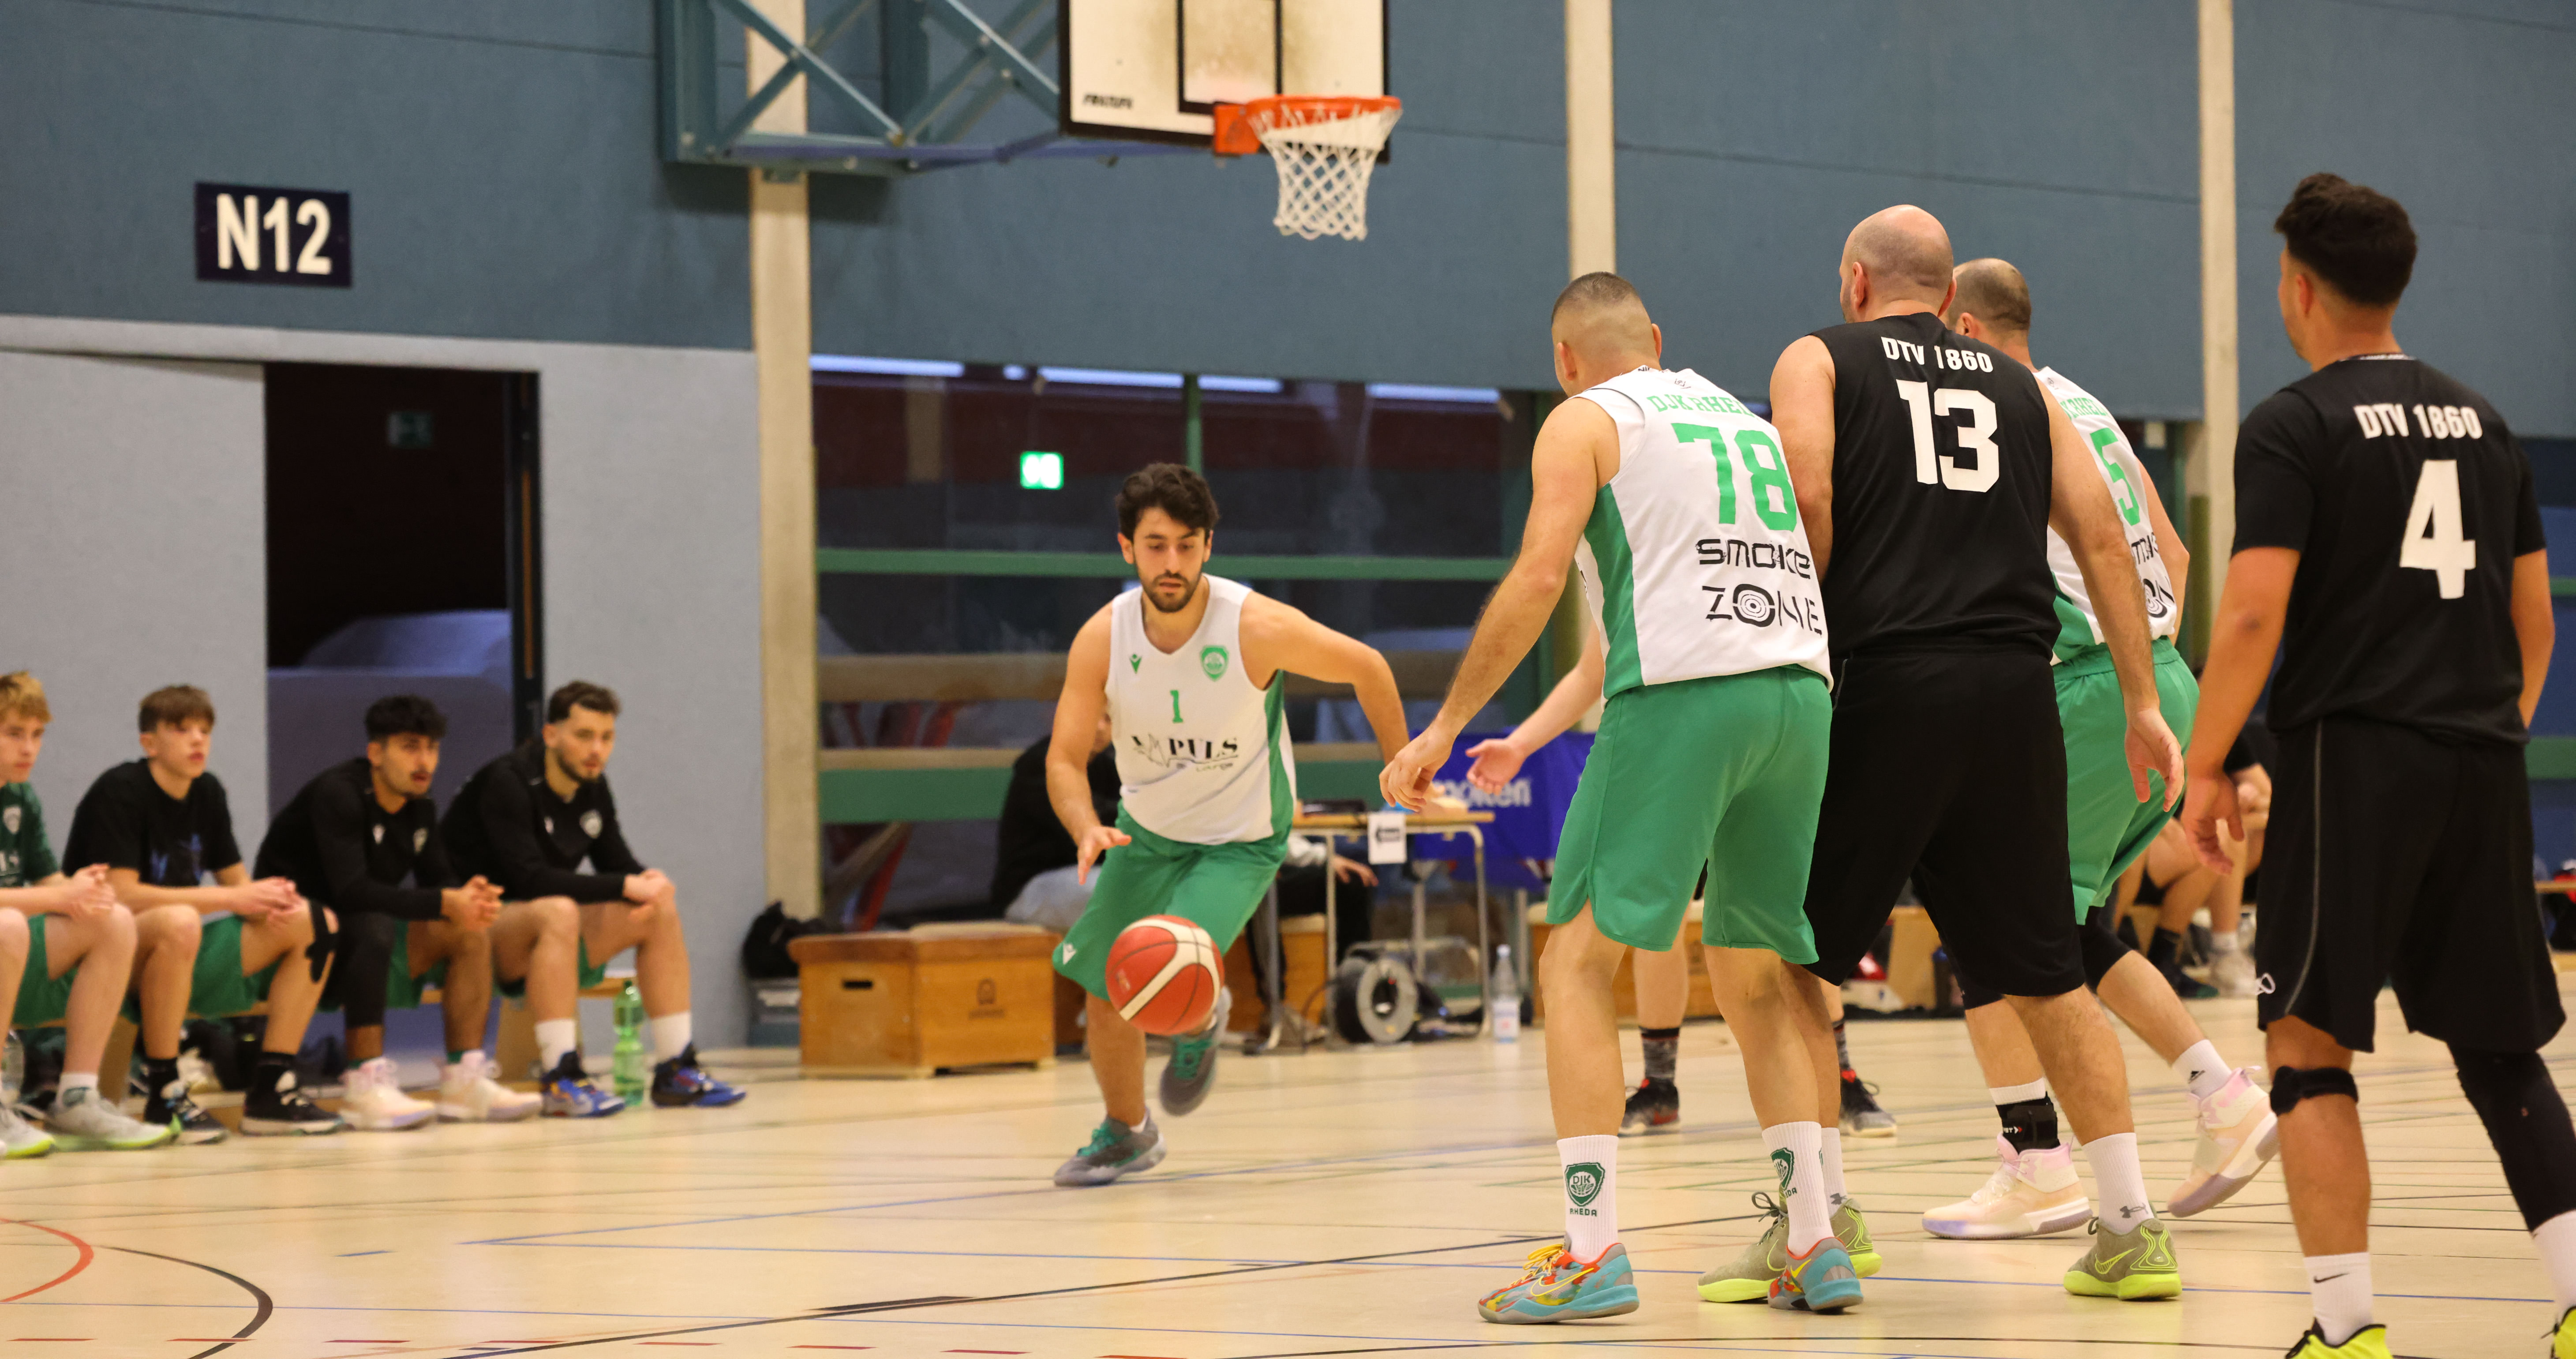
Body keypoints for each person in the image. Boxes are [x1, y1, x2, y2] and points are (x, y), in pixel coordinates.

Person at [1388, 273, 1865, 1320]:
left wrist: (1445, 725)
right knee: (1755, 973)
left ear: (1564, 360)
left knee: (1572, 962)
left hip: (1682, 702)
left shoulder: (1584, 421)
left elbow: (1536, 578)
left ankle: (1593, 1249)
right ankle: (1813, 1236)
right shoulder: (1738, 419)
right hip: (1799, 694)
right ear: (1654, 336)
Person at [1751, 206, 2188, 1304]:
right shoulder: (2027, 390)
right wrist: (2142, 700)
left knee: (1794, 960)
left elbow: (1807, 494)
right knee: (2047, 970)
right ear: (1950, 297)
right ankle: (2130, 1225)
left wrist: (1810, 646)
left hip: (1889, 682)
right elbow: (2105, 538)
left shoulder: (1816, 358)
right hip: (2015, 695)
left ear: (1856, 282)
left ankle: (1817, 1228)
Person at [2179, 173, 2576, 1359]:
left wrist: (2207, 765)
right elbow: (2534, 627)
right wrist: (2479, 732)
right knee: (2499, 1048)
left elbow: (2253, 614)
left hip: (2350, 761)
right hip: (2481, 758)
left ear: (2299, 289)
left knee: (2306, 1046)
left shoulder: (2293, 424)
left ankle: (2346, 1330)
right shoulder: (2485, 422)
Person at [1911, 257, 2277, 1242]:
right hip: (2160, 671)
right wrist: (2147, 676)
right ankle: (2222, 1095)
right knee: (2061, 931)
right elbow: (2175, 550)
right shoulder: (2087, 403)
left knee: (1990, 920)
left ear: (1967, 331)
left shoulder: (1997, 406)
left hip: (2089, 683)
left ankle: (2036, 1161)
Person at [1047, 463, 1409, 1188]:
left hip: (1239, 841)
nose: (1172, 562)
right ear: (1127, 548)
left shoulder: (1255, 627)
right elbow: (1062, 758)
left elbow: (1369, 667)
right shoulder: (1103, 636)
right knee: (1105, 988)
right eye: (1156, 545)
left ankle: (1201, 1011)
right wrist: (1085, 824)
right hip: (1145, 834)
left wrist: (1402, 763)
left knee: (1168, 959)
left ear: (1208, 545)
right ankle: (1128, 1131)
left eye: (1187, 545)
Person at [1463, 626, 1894, 1140]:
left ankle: (1840, 1075)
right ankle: (1660, 1082)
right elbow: (1590, 670)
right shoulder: (1633, 597)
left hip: (1744, 711)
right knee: (1654, 924)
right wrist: (1519, 743)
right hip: (1695, 726)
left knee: (1780, 941)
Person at [446, 681, 745, 1116]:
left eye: (606, 738)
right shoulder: (508, 782)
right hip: (474, 936)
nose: (596, 750)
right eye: (584, 736)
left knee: (657, 910)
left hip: (546, 928)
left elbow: (615, 863)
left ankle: (676, 1068)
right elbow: (530, 879)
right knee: (558, 909)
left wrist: (647, 879)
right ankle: (561, 1077)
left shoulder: (593, 787)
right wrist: (625, 885)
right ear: (551, 735)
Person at [64, 685, 343, 1139]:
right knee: (180, 919)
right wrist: (231, 900)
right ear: (149, 743)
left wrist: (273, 899)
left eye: (204, 731)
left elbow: (238, 886)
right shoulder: (120, 790)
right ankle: (164, 1094)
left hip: (177, 951)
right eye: (181, 729)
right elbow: (121, 896)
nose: (197, 740)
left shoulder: (208, 791)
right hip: (106, 957)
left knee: (316, 922)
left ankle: (271, 1090)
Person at [255, 695, 537, 1130]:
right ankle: (364, 1083)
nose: (424, 761)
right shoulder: (339, 794)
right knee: (374, 923)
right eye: (410, 747)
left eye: (432, 748)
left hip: (359, 939)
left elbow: (439, 882)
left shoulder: (420, 808)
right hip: (295, 942)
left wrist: (470, 898)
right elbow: (352, 892)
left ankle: (465, 1079)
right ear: (376, 752)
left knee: (465, 928)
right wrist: (445, 901)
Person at [0, 673, 169, 1153]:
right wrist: (58, 897)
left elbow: (46, 881)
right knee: (8, 924)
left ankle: (78, 1095)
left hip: (10, 946)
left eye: (37, 735)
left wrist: (82, 891)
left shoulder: (20, 797)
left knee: (112, 919)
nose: (29, 748)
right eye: (14, 733)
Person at [994, 715, 1118, 933]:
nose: (1100, 727)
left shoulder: (1110, 765)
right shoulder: (1041, 762)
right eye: (1091, 716)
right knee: (1113, 888)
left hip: (1089, 876)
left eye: (1108, 719)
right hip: (1031, 889)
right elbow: (1089, 832)